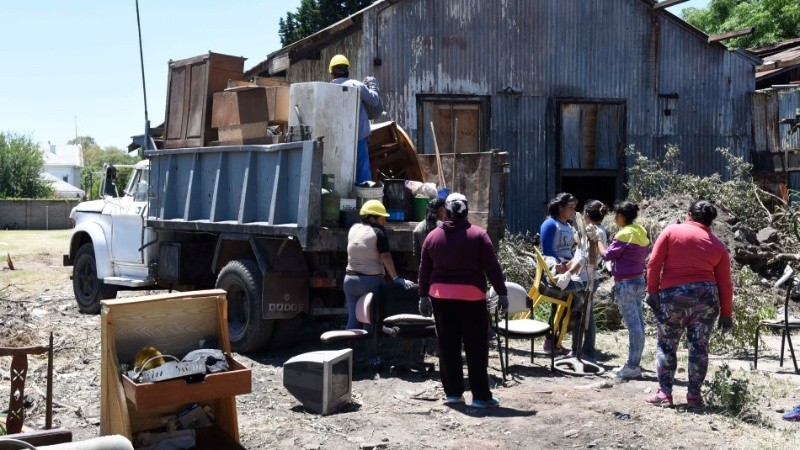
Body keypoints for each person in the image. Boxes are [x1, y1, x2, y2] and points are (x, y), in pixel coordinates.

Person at [418, 192, 508, 408]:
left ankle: (453, 394)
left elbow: (424, 270)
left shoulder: (433, 237)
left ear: (446, 211)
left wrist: (422, 296)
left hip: (441, 298)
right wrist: (502, 292)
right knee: (476, 347)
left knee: (448, 346)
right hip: (471, 299)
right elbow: (492, 267)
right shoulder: (478, 235)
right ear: (467, 210)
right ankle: (480, 397)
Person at [644, 200, 733, 407]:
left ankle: (665, 394)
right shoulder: (718, 245)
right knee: (699, 348)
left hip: (672, 297)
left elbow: (654, 262)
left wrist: (652, 291)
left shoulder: (671, 231)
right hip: (706, 299)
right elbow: (726, 284)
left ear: (688, 215)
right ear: (711, 221)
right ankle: (694, 396)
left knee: (666, 345)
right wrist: (727, 314)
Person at [596, 201, 650, 379]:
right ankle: (634, 362)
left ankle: (633, 366)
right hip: (639, 280)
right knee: (639, 324)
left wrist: (597, 241)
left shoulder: (624, 234)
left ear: (620, 216)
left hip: (625, 284)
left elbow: (607, 255)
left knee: (633, 326)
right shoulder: (640, 231)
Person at [343, 199, 415, 330]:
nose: (385, 222)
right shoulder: (378, 232)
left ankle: (349, 348)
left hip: (349, 282)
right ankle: (369, 350)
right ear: (372, 218)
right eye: (382, 219)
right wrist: (396, 278)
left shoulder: (353, 229)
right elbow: (386, 257)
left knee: (353, 320)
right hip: (370, 282)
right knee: (369, 320)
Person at [539, 192, 583, 355]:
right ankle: (553, 338)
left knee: (574, 297)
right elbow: (547, 251)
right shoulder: (550, 224)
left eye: (574, 208)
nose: (573, 211)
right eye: (570, 207)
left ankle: (554, 339)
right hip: (554, 272)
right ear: (560, 207)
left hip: (568, 269)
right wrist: (562, 264)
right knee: (577, 296)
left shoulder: (568, 226)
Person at [329, 54, 381, 184]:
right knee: (362, 174)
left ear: (331, 72)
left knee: (339, 174)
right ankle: (363, 201)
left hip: (336, 141)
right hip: (358, 138)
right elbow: (374, 101)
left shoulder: (327, 89)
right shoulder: (356, 85)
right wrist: (373, 85)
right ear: (347, 70)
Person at [412, 198, 446, 265]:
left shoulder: (418, 228)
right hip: (440, 269)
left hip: (425, 268)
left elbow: (416, 254)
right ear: (441, 210)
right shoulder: (443, 227)